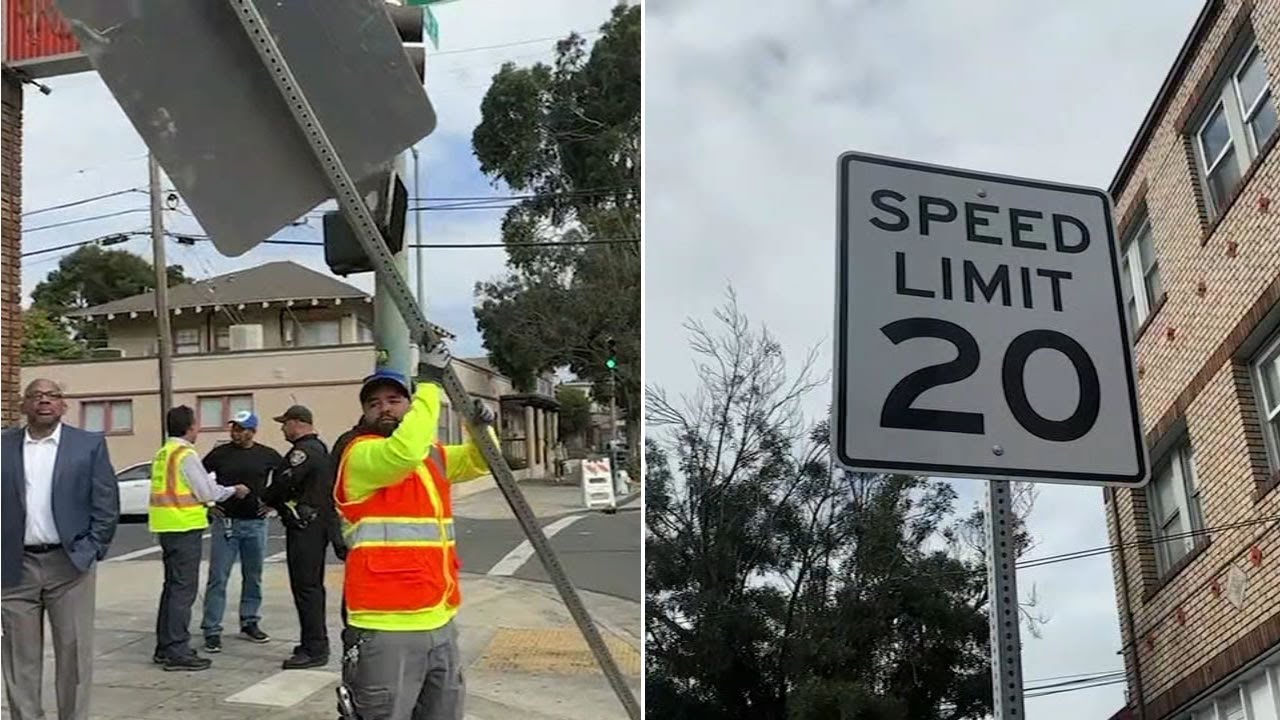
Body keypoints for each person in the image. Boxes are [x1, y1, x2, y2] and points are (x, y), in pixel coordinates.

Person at [334, 342, 497, 720]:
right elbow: (404, 453)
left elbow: (482, 461)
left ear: (408, 407)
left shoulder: (432, 454)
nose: (384, 408)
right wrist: (429, 383)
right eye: (374, 404)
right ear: (364, 414)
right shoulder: (360, 454)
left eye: (394, 399)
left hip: (439, 619)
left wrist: (482, 429)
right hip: (384, 627)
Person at [1, 379, 120, 720]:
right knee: (18, 659)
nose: (44, 401)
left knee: (74, 654)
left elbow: (106, 502)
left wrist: (92, 549)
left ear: (63, 405)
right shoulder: (3, 445)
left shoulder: (88, 445)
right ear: (24, 405)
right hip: (14, 568)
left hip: (70, 565)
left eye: (52, 396)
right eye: (35, 395)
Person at [151, 405, 250, 671]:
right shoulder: (185, 453)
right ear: (189, 427)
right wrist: (233, 490)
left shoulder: (164, 452)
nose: (198, 428)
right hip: (184, 527)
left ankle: (165, 645)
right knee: (183, 591)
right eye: (196, 424)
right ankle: (177, 650)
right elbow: (206, 491)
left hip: (167, 526)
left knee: (172, 588)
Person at [199, 410, 283, 653]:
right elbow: (199, 480)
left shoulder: (267, 455)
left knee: (253, 576)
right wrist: (209, 505)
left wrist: (273, 504)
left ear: (252, 431)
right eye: (233, 428)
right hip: (226, 524)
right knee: (218, 578)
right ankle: (212, 629)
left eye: (241, 429)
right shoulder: (219, 454)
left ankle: (250, 621)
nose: (235, 433)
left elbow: (284, 480)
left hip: (256, 524)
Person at [264, 403, 335, 669]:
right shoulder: (317, 448)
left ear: (298, 423)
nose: (282, 428)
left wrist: (265, 498)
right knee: (308, 587)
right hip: (310, 526)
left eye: (285, 423)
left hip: (307, 528)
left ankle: (315, 648)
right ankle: (311, 642)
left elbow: (284, 482)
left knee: (307, 588)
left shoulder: (304, 451)